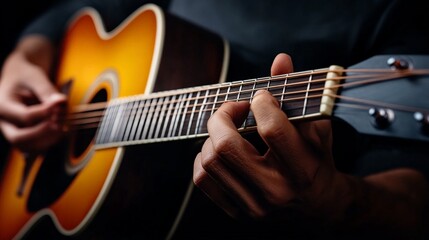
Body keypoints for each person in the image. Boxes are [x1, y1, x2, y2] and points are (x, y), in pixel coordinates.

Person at [0, 0, 428, 239]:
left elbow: (414, 198)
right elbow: (70, 12)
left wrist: (335, 201)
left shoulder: (394, 15)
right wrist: (22, 59)